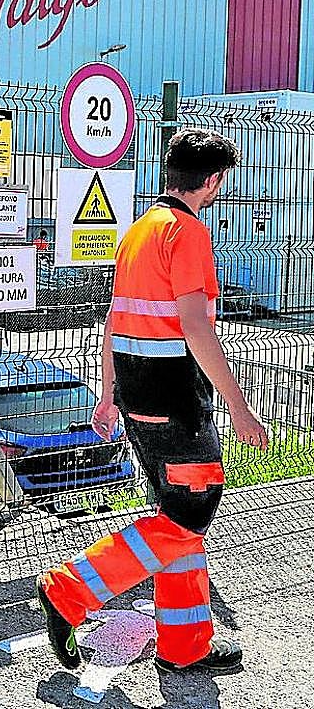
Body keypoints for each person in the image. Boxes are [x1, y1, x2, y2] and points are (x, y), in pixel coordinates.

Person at [38, 129, 268, 675]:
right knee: (191, 514)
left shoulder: (138, 230)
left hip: (141, 397)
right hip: (176, 401)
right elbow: (195, 326)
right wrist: (238, 403)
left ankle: (184, 645)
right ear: (211, 181)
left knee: (176, 519)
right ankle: (69, 590)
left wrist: (108, 395)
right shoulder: (186, 232)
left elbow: (114, 322)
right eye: (221, 184)